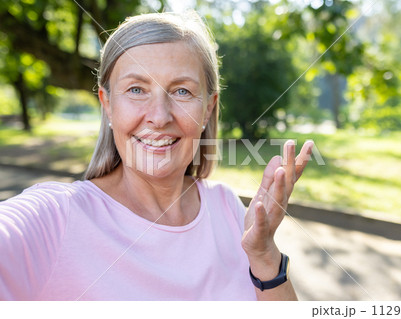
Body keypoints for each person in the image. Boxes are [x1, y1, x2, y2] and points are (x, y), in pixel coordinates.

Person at [0, 11, 313, 301]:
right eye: (136, 89)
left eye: (182, 92)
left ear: (208, 108)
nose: (159, 116)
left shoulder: (227, 208)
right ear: (107, 103)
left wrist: (264, 255)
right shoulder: (53, 217)